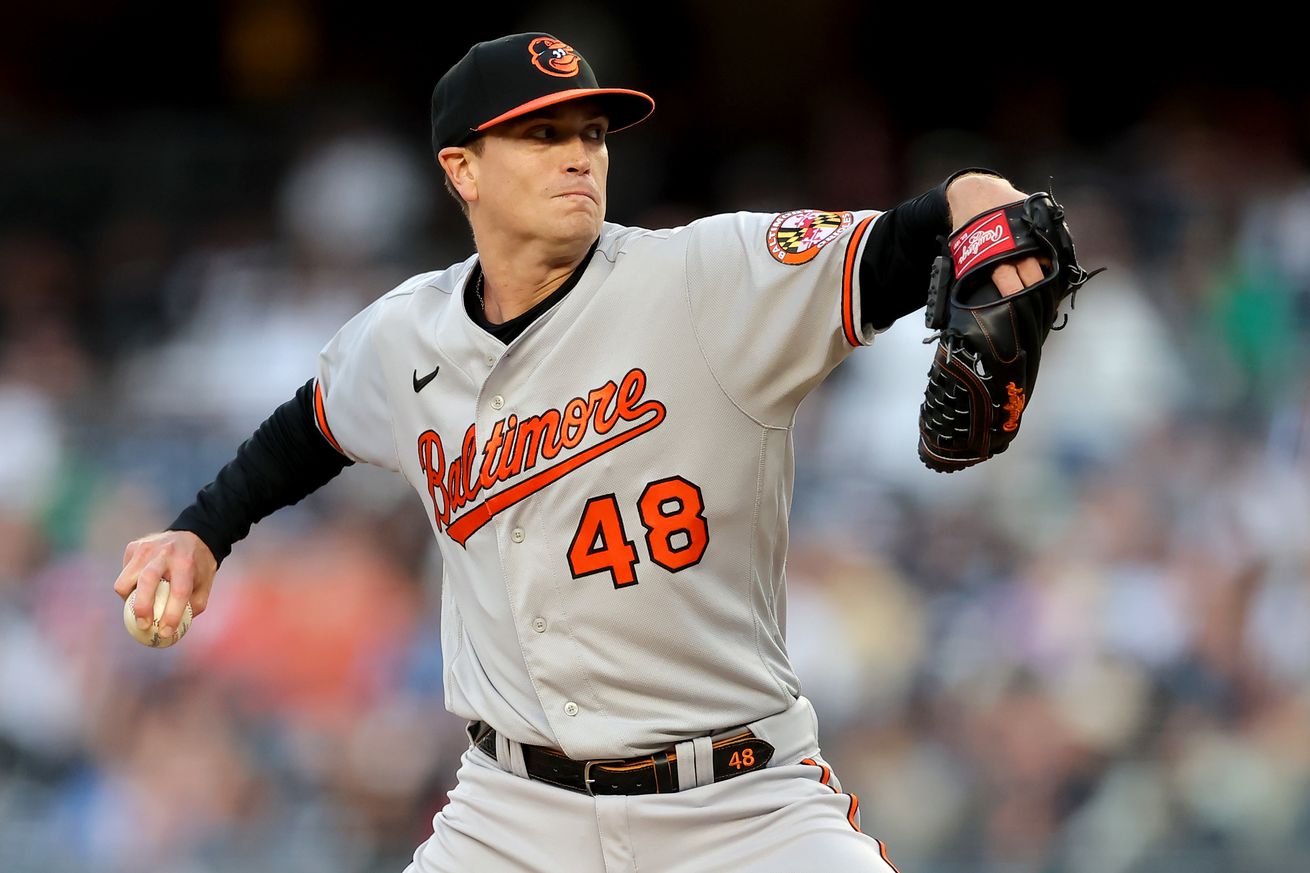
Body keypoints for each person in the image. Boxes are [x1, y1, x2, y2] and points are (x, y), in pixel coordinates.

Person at [115, 32, 1049, 872]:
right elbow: (308, 428)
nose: (579, 158)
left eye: (592, 135)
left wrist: (981, 198)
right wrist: (201, 531)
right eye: (542, 135)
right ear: (462, 169)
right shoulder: (405, 337)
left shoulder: (702, 276)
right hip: (513, 813)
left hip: (740, 804)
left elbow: (902, 241)